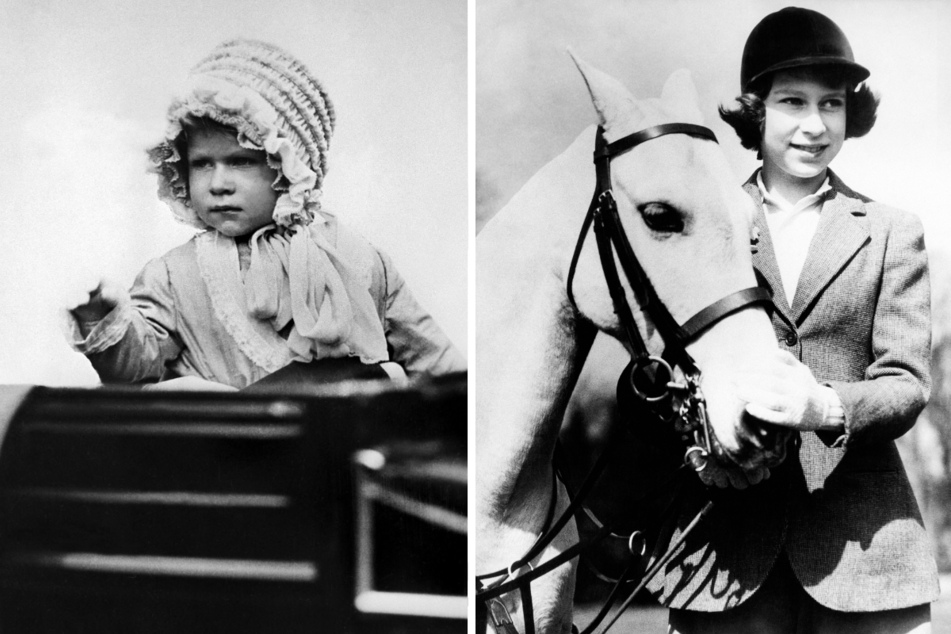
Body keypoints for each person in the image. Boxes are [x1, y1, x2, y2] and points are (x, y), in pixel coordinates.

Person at [650, 7, 938, 633]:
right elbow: (664, 367)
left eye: (831, 104)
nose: (814, 125)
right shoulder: (700, 223)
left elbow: (908, 384)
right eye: (791, 102)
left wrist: (823, 408)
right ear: (756, 113)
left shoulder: (893, 232)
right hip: (722, 555)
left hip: (864, 556)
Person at [66, 39, 465, 390]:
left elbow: (436, 363)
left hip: (341, 459)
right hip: (234, 460)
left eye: (240, 161)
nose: (218, 183)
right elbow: (137, 366)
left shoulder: (354, 256)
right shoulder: (174, 275)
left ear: (288, 167)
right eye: (202, 164)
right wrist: (104, 316)